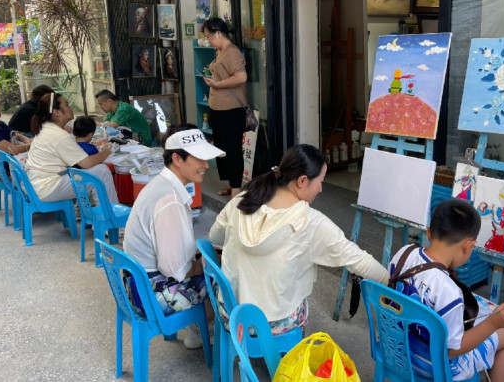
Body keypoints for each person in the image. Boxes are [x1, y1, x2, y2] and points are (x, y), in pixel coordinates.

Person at [208, 144, 389, 335]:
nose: (320, 189)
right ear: (302, 181)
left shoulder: (242, 200)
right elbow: (359, 261)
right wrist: (390, 281)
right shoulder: (311, 222)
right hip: (274, 323)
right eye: (320, 181)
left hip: (231, 314)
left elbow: (214, 237)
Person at [389, 199, 504, 381]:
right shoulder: (448, 291)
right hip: (432, 367)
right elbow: (450, 351)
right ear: (468, 245)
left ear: (429, 233)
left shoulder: (404, 253)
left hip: (395, 347)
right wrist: (493, 323)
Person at [123, 126, 225, 348]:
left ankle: (198, 327)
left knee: (208, 256)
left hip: (137, 283)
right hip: (151, 296)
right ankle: (207, 333)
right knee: (224, 278)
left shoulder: (161, 185)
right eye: (200, 159)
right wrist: (207, 264)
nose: (206, 165)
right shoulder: (169, 200)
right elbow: (175, 270)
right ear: (177, 159)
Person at [25, 92, 117, 203]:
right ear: (56, 112)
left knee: (86, 172)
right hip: (47, 188)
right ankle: (109, 215)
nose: (71, 108)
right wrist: (106, 152)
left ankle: (98, 210)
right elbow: (87, 163)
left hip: (35, 184)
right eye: (67, 105)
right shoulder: (58, 135)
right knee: (102, 171)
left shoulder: (46, 128)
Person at [201, 17, 248, 198]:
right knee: (222, 149)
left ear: (218, 33)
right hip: (218, 109)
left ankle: (236, 189)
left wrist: (218, 85)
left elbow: (241, 77)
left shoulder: (232, 52)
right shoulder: (220, 51)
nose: (208, 40)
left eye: (208, 36)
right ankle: (231, 184)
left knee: (232, 149)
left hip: (231, 110)